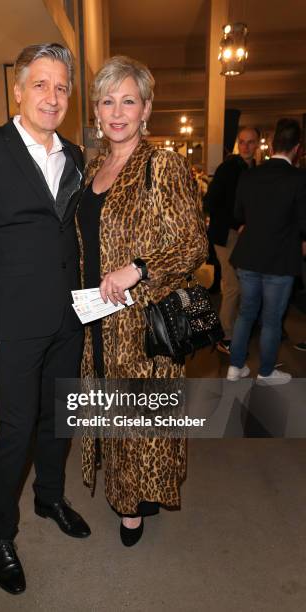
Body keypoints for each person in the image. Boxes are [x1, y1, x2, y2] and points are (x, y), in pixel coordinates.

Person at [0, 43, 90, 595]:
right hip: (12, 322)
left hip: (68, 317)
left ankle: (50, 495)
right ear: (17, 89)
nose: (51, 96)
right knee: (16, 430)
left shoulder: (76, 156)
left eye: (60, 87)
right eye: (40, 84)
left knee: (59, 418)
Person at [76, 56, 208, 546]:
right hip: (96, 316)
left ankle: (132, 505)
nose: (117, 111)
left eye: (128, 100)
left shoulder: (163, 163)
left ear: (147, 109)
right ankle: (132, 488)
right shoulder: (94, 167)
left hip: (141, 320)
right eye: (107, 100)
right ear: (95, 109)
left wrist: (139, 269)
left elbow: (193, 243)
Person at [227, 119, 306, 384]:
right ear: (297, 148)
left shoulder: (250, 174)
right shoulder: (299, 179)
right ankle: (266, 372)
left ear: (271, 145)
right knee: (271, 319)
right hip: (280, 260)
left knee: (246, 313)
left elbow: (238, 214)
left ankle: (235, 367)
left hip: (248, 256)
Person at [206, 127, 260, 353]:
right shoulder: (229, 167)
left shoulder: (254, 168)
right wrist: (236, 223)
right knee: (232, 285)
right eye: (242, 142)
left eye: (250, 142)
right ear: (238, 143)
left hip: (244, 235)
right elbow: (210, 202)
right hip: (226, 235)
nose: (246, 146)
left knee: (240, 284)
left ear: (258, 143)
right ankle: (224, 336)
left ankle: (234, 331)